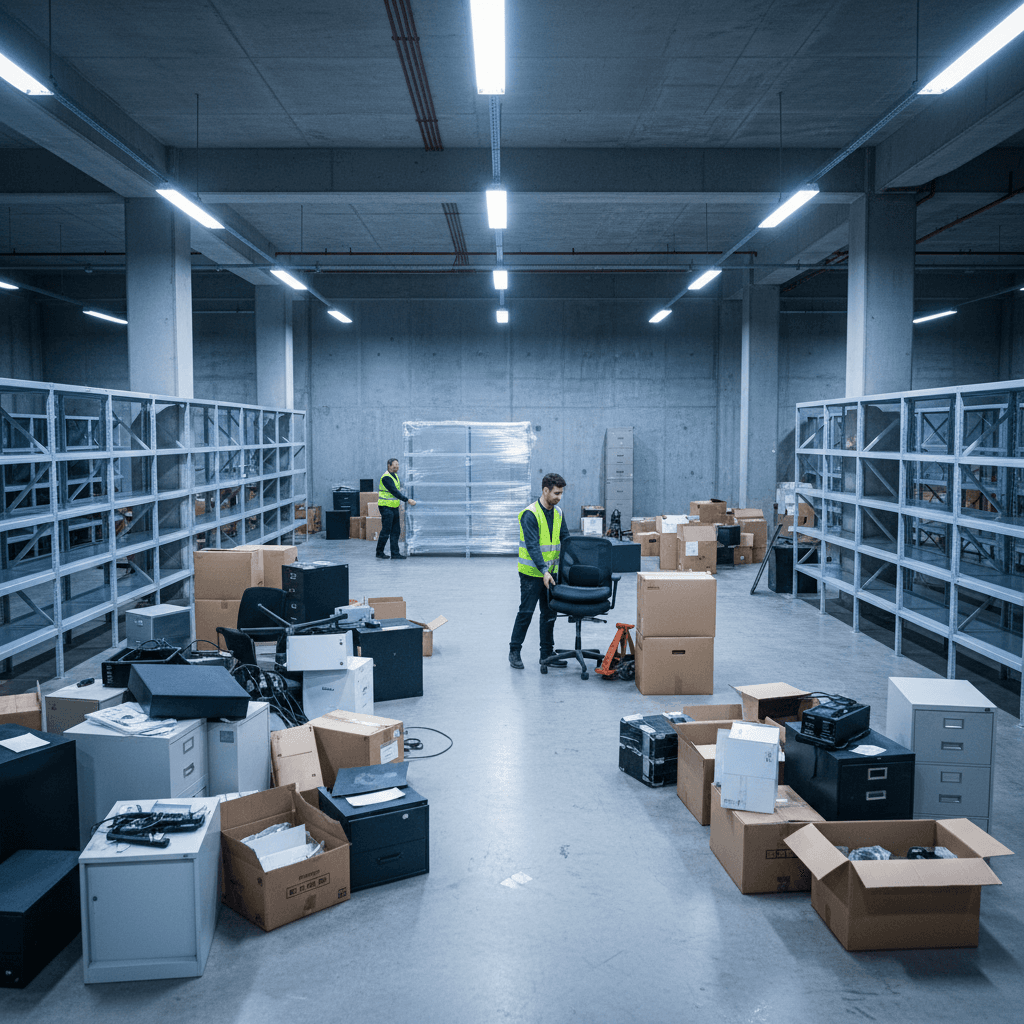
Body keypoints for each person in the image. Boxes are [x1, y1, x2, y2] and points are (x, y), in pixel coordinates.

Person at [509, 472, 570, 670]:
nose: (559, 497)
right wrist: (543, 570)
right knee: (526, 612)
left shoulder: (558, 512)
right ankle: (514, 651)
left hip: (551, 573)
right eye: (556, 493)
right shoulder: (530, 514)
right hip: (532, 574)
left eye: (561, 493)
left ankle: (547, 654)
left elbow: (566, 539)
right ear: (545, 490)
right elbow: (533, 546)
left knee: (549, 613)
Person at [376, 458, 416, 560]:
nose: (397, 466)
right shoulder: (386, 477)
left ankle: (395, 553)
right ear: (389, 465)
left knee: (396, 530)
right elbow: (394, 492)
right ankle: (379, 552)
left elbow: (398, 489)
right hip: (386, 507)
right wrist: (407, 500)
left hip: (394, 507)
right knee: (386, 531)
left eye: (398, 464)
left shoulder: (395, 476)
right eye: (395, 464)